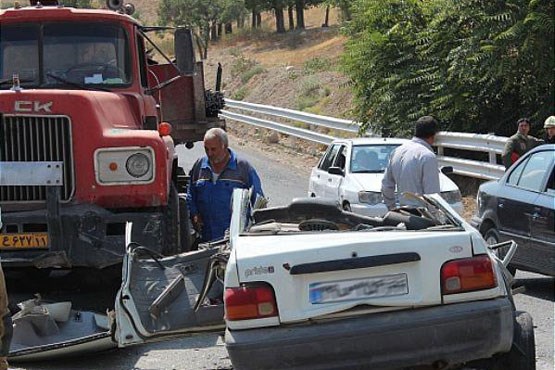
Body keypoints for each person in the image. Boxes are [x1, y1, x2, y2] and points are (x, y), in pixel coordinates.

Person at [187, 128, 264, 242]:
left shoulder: (242, 168)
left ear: (225, 146)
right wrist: (194, 214)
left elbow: (258, 202)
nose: (209, 154)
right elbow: (191, 194)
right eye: (206, 149)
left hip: (234, 238)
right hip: (206, 237)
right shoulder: (199, 166)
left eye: (213, 149)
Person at [381, 116, 441, 210]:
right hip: (423, 215)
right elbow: (432, 195)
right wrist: (435, 217)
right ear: (433, 135)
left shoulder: (397, 151)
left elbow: (386, 185)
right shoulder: (427, 156)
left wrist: (392, 208)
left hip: (402, 212)